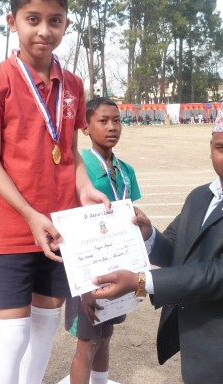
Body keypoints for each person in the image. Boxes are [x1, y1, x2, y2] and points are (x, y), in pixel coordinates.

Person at [92, 93, 223, 384]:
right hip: (201, 346)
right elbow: (177, 252)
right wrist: (148, 236)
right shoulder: (201, 196)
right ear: (211, 148)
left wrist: (141, 282)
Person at [0, 0, 109, 384]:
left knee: (46, 326)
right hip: (15, 228)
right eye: (32, 19)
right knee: (13, 335)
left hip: (61, 228)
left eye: (55, 20)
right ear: (12, 21)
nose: (44, 31)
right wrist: (31, 216)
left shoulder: (73, 85)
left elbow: (69, 152)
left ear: (66, 24)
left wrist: (85, 188)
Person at [65, 97, 142, 384]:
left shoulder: (126, 170)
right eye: (103, 121)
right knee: (88, 342)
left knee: (106, 333)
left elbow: (131, 215)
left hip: (118, 266)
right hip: (88, 268)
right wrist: (84, 285)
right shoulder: (80, 169)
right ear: (85, 128)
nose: (112, 127)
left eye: (117, 121)